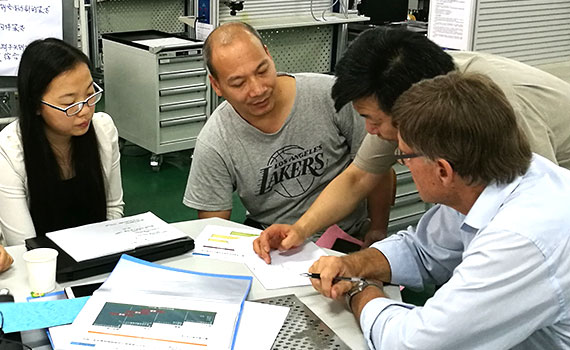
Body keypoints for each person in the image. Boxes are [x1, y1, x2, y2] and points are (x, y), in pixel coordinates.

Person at [253, 27, 570, 262]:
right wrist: (301, 229)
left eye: (373, 119)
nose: (369, 129)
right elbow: (358, 177)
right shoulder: (410, 96)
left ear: (407, 109)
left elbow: (538, 212)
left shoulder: (492, 109)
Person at [310, 72, 570, 349]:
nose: (401, 165)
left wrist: (360, 292)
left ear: (443, 170)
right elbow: (422, 249)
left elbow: (413, 344)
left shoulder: (519, 240)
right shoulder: (486, 178)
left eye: (404, 155)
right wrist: (353, 265)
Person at [183, 22, 391, 238]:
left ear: (268, 55)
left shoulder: (332, 96)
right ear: (216, 85)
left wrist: (377, 229)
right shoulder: (215, 141)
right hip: (275, 244)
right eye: (238, 83)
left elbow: (377, 168)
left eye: (262, 71)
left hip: (348, 236)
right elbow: (214, 230)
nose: (257, 90)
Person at [0, 38, 124, 246]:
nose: (85, 110)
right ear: (35, 105)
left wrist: (105, 253)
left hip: (97, 256)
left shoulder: (102, 129)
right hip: (39, 265)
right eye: (69, 103)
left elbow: (113, 208)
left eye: (89, 95)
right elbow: (23, 244)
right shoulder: (9, 152)